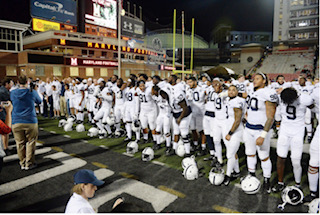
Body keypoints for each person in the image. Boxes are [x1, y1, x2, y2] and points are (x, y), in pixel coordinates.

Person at [272, 88, 313, 192]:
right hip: (284, 131)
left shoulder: (304, 99)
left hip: (297, 132)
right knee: (280, 157)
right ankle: (280, 182)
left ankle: (297, 184)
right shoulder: (281, 97)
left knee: (295, 160)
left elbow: (313, 107)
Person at [243, 72, 278, 194]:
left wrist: (263, 135)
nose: (254, 80)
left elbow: (270, 117)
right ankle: (251, 175)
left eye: (258, 78)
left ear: (264, 80)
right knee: (250, 154)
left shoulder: (268, 93)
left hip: (260, 130)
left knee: (264, 156)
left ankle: (267, 180)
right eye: (254, 78)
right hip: (248, 128)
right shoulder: (252, 91)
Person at [10, 76, 42, 170]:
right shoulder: (31, 92)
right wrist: (36, 90)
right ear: (27, 82)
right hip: (30, 120)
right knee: (31, 142)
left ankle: (22, 162)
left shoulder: (12, 93)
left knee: (20, 143)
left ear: (18, 82)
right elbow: (39, 101)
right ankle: (29, 163)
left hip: (16, 120)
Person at [0, 77, 12, 154]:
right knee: (5, 131)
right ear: (6, 84)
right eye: (11, 83)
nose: (12, 85)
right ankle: (5, 147)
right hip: (3, 113)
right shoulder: (3, 92)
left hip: (3, 112)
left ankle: (5, 146)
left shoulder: (3, 90)